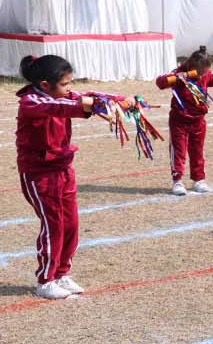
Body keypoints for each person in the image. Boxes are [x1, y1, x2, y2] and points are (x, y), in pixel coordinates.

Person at [15, 54, 131, 299]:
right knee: (54, 224)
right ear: (45, 85)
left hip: (64, 168)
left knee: (71, 223)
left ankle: (61, 273)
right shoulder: (31, 102)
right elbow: (61, 107)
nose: (70, 89)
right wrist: (92, 106)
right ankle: (45, 280)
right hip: (39, 173)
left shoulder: (63, 94)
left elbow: (89, 96)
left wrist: (120, 100)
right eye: (65, 84)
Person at [155, 46, 213, 196]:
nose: (201, 75)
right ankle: (177, 181)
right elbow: (160, 82)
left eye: (204, 72)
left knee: (197, 152)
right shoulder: (180, 74)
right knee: (179, 152)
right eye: (199, 72)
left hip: (198, 121)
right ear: (192, 66)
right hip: (179, 121)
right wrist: (178, 76)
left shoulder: (204, 76)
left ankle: (198, 180)